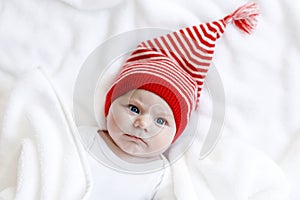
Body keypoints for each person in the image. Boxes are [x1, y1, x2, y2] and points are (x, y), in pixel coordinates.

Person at [80, 2, 260, 199]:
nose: (143, 123)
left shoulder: (161, 174)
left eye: (160, 121)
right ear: (109, 105)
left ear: (176, 135)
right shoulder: (84, 138)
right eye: (133, 108)